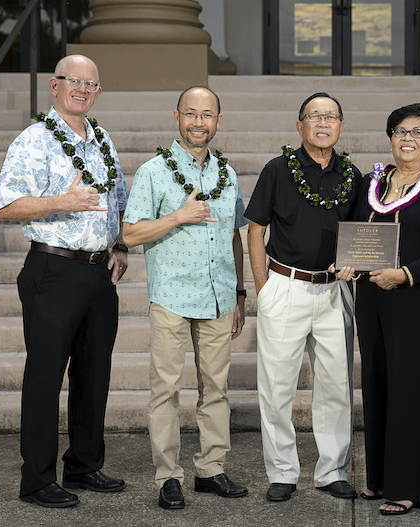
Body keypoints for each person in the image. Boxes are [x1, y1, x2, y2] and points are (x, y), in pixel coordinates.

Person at [0, 55, 129, 508]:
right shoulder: (33, 140)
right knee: (45, 376)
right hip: (52, 271)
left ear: (98, 92)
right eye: (74, 81)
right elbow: (6, 207)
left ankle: (84, 465)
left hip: (98, 272)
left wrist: (121, 247)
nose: (83, 90)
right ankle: (36, 480)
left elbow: (118, 202)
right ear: (55, 85)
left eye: (91, 84)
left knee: (94, 374)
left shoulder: (103, 139)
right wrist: (61, 200)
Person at [122, 87, 249, 509]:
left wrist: (239, 294)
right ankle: (168, 476)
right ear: (176, 116)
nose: (199, 122)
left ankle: (211, 469)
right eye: (191, 114)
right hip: (172, 296)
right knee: (167, 389)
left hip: (218, 298)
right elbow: (130, 233)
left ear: (218, 120)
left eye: (207, 114)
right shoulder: (153, 172)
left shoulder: (227, 175)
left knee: (216, 389)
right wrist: (178, 215)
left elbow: (234, 234)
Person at [245, 92, 362, 502]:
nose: (323, 122)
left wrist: (355, 265)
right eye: (315, 116)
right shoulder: (277, 169)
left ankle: (332, 471)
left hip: (334, 293)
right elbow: (255, 230)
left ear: (342, 127)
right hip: (285, 286)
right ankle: (282, 472)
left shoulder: (352, 175)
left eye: (331, 116)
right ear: (300, 126)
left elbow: (360, 236)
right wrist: (264, 288)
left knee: (335, 385)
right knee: (276, 387)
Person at [348, 103, 420, 515]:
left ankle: (406, 488)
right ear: (390, 137)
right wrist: (348, 261)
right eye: (399, 130)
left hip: (415, 299)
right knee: (377, 386)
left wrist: (405, 274)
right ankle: (378, 481)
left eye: (418, 132)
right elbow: (358, 237)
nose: (407, 138)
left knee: (408, 393)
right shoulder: (371, 183)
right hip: (372, 298)